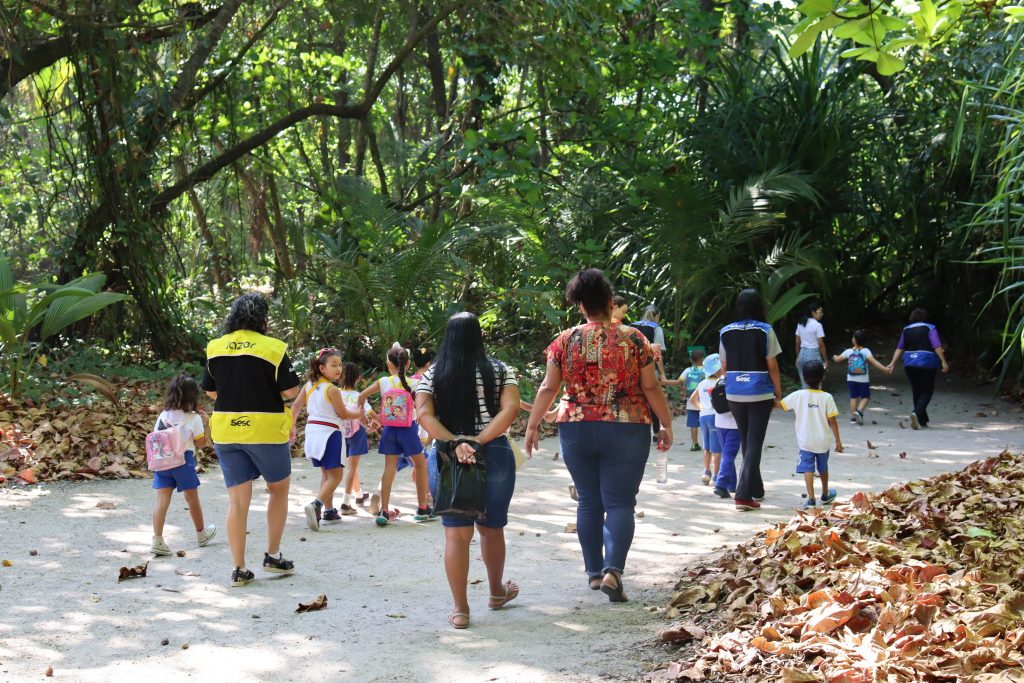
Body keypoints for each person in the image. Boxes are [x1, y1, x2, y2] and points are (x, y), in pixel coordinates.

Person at [526, 268, 673, 603]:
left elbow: (550, 386)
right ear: (610, 301)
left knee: (589, 500)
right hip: (628, 425)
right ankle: (613, 571)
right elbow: (650, 386)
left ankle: (594, 574)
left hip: (575, 426)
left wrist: (534, 424)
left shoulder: (564, 340)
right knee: (620, 501)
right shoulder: (635, 339)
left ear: (580, 306)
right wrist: (665, 423)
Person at [415, 312, 521, 630]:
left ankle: (461, 610)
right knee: (492, 529)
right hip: (496, 454)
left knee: (456, 535)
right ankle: (496, 593)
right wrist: (477, 440)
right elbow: (511, 408)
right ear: (478, 337)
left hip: (448, 456)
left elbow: (423, 413)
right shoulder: (501, 370)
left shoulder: (433, 374)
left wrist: (455, 441)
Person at [202, 292, 301, 587]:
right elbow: (290, 392)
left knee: (238, 501)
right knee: (278, 490)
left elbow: (210, 391)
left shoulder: (215, 347)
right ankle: (272, 555)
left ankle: (239, 569)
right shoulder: (274, 348)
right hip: (265, 430)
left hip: (226, 431)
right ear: (263, 318)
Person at [719, 289, 782, 512]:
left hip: (734, 392)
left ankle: (756, 487)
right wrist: (778, 393)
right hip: (759, 392)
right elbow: (772, 366)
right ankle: (743, 495)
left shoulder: (725, 331)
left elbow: (724, 368)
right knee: (754, 441)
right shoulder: (765, 330)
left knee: (747, 439)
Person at [290, 348, 365, 531]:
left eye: (339, 365)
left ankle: (329, 511)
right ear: (322, 368)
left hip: (312, 432)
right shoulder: (332, 389)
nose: (338, 368)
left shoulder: (310, 384)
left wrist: (291, 426)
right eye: (333, 365)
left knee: (326, 474)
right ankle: (316, 504)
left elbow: (296, 405)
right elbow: (344, 414)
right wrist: (359, 414)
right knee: (336, 475)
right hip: (330, 433)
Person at [358, 344, 431, 525]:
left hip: (389, 430)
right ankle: (422, 508)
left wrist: (368, 418)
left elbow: (361, 396)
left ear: (388, 365)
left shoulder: (383, 383)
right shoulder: (415, 383)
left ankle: (384, 511)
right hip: (408, 430)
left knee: (389, 469)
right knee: (420, 465)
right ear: (407, 365)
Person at [150, 374, 217, 556]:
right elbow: (202, 443)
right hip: (183, 462)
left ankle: (157, 539)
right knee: (192, 499)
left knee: (162, 502)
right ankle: (201, 534)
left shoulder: (163, 416)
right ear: (193, 396)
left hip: (163, 462)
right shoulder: (193, 418)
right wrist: (207, 424)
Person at [779, 361, 843, 509]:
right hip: (823, 442)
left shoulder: (798, 395)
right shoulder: (827, 397)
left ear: (804, 377)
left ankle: (811, 499)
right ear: (822, 377)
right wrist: (838, 441)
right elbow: (832, 421)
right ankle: (826, 494)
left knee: (808, 469)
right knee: (823, 468)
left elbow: (780, 405)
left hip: (805, 441)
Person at [886, 309, 950, 429]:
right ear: (925, 317)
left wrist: (892, 363)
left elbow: (899, 348)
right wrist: (943, 361)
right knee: (927, 391)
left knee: (917, 390)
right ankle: (916, 412)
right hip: (927, 362)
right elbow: (937, 346)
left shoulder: (906, 330)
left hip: (909, 363)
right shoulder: (930, 328)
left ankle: (922, 419)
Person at [338, 363, 376, 514]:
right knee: (352, 467)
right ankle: (346, 503)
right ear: (358, 378)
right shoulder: (358, 396)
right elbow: (370, 414)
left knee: (352, 466)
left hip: (340, 432)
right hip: (356, 433)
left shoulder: (336, 394)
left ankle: (359, 495)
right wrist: (376, 423)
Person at [832, 330, 891, 425]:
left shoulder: (849, 351)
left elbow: (838, 359)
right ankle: (859, 410)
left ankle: (853, 418)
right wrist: (885, 369)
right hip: (863, 379)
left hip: (851, 378)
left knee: (853, 397)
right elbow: (874, 362)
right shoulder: (866, 351)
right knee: (866, 397)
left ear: (854, 340)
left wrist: (834, 356)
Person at [633, 305, 668, 443]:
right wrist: (662, 374)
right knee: (653, 398)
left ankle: (635, 431)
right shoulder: (656, 328)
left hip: (632, 369)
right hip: (649, 368)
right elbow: (657, 353)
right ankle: (656, 432)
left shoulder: (632, 326)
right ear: (657, 316)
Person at [688, 354, 723, 485]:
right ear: (717, 369)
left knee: (706, 446)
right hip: (715, 416)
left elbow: (692, 399)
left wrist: (702, 408)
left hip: (703, 417)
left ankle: (706, 471)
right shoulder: (720, 382)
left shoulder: (702, 383)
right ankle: (715, 475)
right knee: (717, 449)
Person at [663, 349, 706, 450]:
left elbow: (678, 382)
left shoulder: (688, 371)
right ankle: (708, 444)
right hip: (704, 401)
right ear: (703, 360)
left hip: (691, 400)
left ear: (691, 360)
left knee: (694, 424)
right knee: (707, 422)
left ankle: (694, 444)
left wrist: (665, 381)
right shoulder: (706, 370)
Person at [795, 302, 827, 388]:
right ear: (813, 312)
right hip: (814, 355)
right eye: (820, 311)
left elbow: (797, 342)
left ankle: (805, 401)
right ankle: (815, 402)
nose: (822, 314)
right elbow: (821, 344)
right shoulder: (817, 325)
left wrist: (797, 357)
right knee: (816, 385)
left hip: (802, 354)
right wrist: (825, 360)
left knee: (804, 385)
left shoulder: (800, 323)